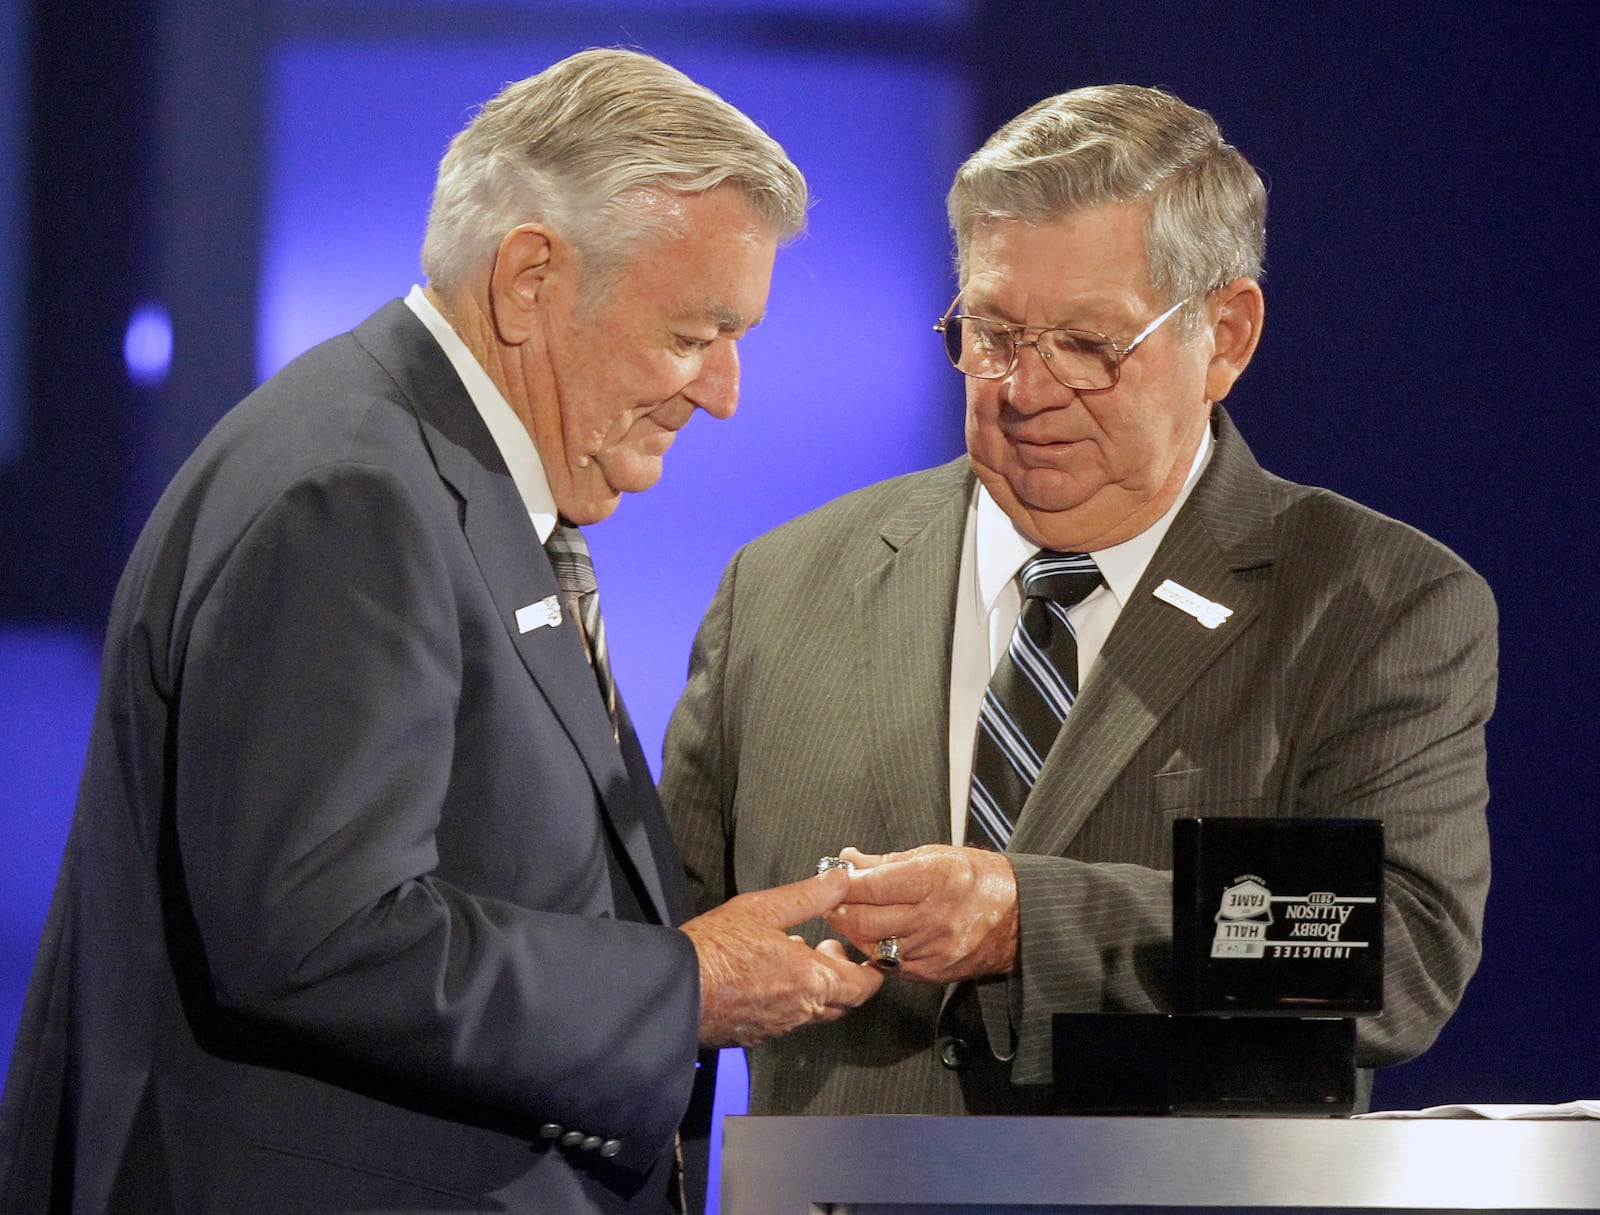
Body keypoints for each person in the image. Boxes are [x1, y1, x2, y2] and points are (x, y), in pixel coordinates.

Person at [0, 49, 881, 1214]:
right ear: (528, 279)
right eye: (691, 333)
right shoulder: (353, 497)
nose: (721, 392)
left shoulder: (430, 470)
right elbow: (323, 935)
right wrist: (685, 984)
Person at [661, 84, 1494, 1116]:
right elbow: (662, 969)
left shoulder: (1370, 603)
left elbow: (1400, 954)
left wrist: (1031, 919)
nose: (1023, 388)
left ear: (1225, 335)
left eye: (1090, 344)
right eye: (993, 333)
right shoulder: (780, 589)